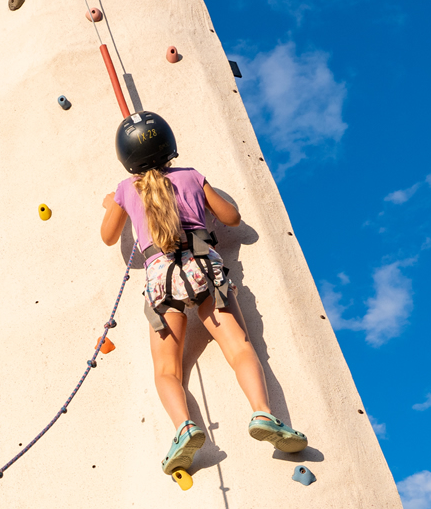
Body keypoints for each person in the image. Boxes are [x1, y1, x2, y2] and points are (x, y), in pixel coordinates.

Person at [99, 111, 307, 475]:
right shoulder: (192, 176)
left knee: (167, 369)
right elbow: (231, 218)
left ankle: (185, 428)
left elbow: (108, 237)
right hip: (202, 266)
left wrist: (112, 204)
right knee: (239, 346)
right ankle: (263, 414)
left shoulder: (125, 189)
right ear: (169, 145)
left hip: (160, 277)